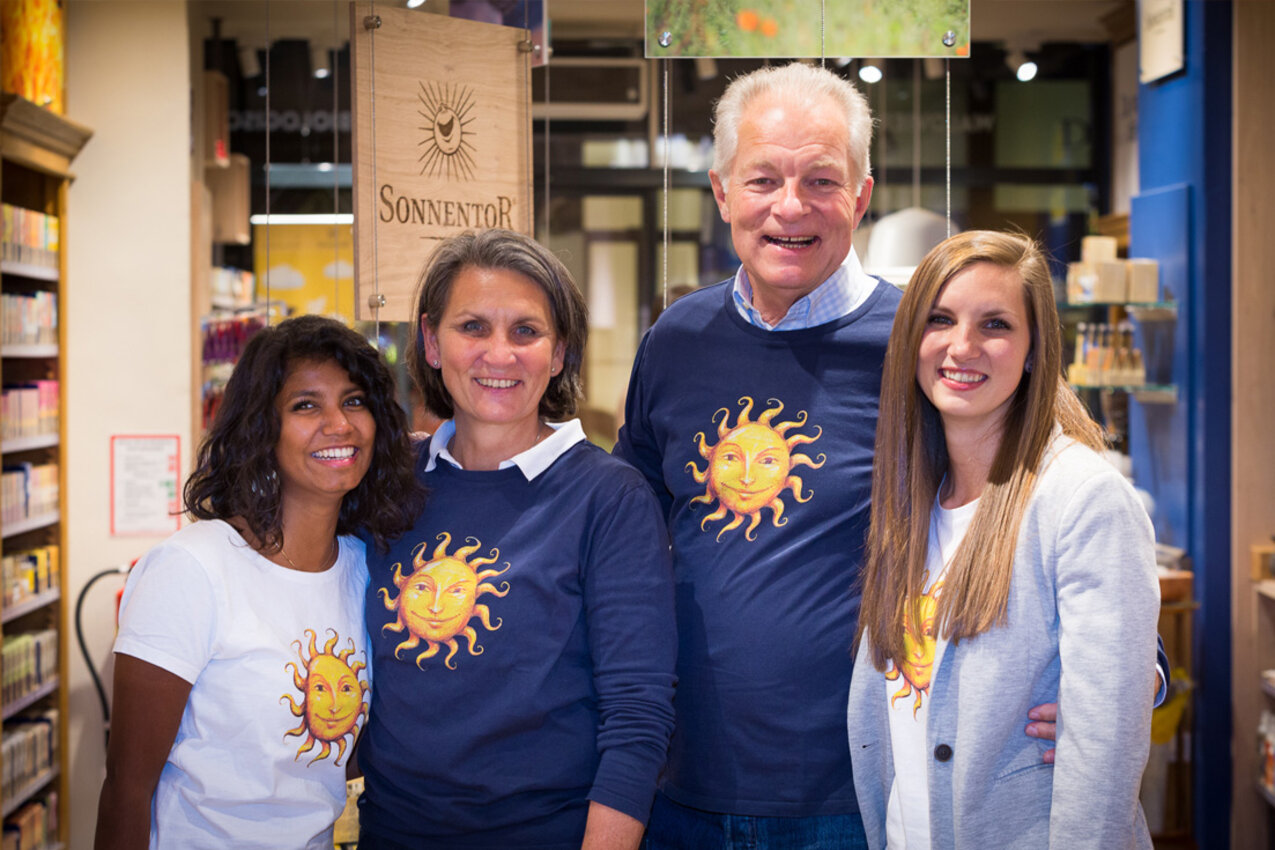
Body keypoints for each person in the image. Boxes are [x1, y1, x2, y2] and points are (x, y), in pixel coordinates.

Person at [613, 62, 1150, 846]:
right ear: (721, 191)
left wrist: (1131, 673)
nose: (789, 206)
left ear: (860, 196)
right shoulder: (674, 341)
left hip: (858, 791)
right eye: (762, 179)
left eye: (820, 181)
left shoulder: (924, 342)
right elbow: (623, 535)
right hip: (680, 781)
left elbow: (1045, 485)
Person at [356, 228, 677, 849]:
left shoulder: (609, 498)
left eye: (526, 331)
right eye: (473, 327)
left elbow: (637, 718)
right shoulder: (386, 483)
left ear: (558, 354)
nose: (499, 354)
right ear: (431, 341)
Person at [847, 230, 1159, 848]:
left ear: (1035, 350)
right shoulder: (912, 500)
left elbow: (1103, 775)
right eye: (940, 319)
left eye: (995, 325)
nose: (962, 346)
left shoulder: (1082, 499)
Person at [95, 315, 424, 849]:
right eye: (305, 405)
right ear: (260, 429)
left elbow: (327, 757)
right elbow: (126, 793)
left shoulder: (366, 570)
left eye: (354, 401)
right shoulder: (192, 569)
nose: (338, 424)